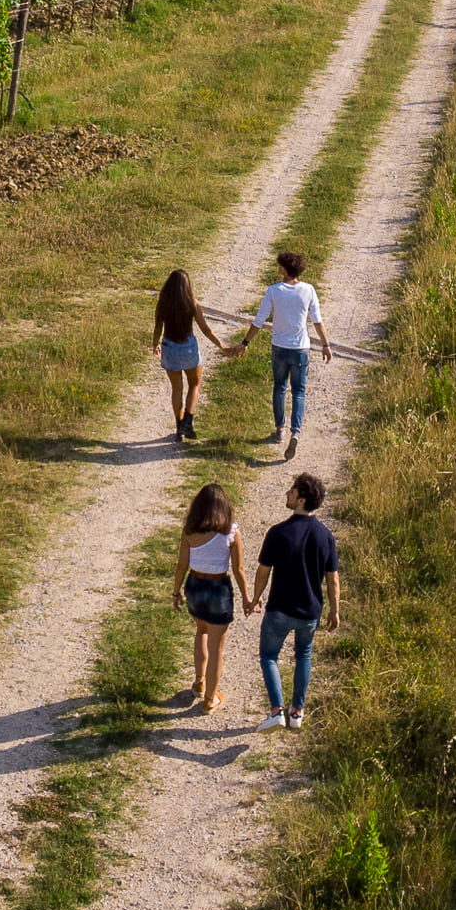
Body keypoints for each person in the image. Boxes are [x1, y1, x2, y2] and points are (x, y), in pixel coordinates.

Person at [249, 473, 339, 730]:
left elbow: (263, 572)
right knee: (304, 655)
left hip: (280, 608)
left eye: (291, 491)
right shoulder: (326, 536)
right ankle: (297, 712)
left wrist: (254, 600)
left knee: (268, 656)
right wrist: (335, 611)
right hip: (310, 612)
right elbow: (332, 579)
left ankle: (277, 710)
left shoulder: (278, 533)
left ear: (301, 499)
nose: (287, 494)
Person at [237, 251, 331, 459]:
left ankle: (279, 429)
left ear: (283, 269)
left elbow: (259, 319)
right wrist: (325, 344)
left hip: (279, 347)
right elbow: (317, 320)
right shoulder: (308, 290)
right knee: (299, 391)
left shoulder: (273, 291)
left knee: (279, 387)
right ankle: (295, 432)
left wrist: (245, 342)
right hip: (301, 349)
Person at [168, 482, 247, 713]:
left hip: (194, 585)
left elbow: (181, 565)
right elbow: (239, 570)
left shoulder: (190, 531)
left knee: (201, 631)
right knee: (217, 648)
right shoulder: (231, 532)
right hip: (217, 588)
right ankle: (211, 699)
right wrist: (246, 598)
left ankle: (199, 682)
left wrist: (176, 591)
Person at [152, 269, 235, 440]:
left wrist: (155, 344)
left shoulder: (163, 303)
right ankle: (187, 423)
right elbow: (205, 329)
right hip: (188, 347)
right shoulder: (192, 303)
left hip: (169, 347)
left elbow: (158, 326)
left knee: (177, 388)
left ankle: (178, 427)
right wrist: (222, 345)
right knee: (194, 384)